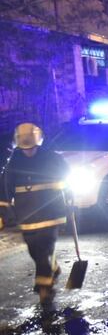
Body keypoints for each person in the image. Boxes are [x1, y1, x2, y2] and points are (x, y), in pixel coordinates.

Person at [0, 123, 69, 312]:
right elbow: (5, 186)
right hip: (27, 215)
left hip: (51, 213)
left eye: (32, 147)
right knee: (34, 250)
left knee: (45, 247)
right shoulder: (13, 162)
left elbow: (67, 177)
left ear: (38, 142)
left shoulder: (52, 158)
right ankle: (51, 268)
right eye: (25, 148)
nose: (29, 151)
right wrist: (4, 210)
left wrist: (69, 199)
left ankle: (44, 288)